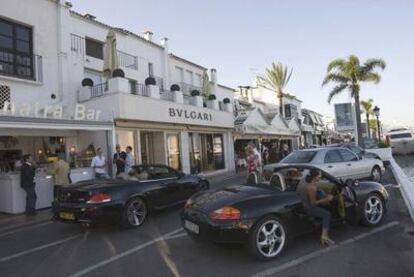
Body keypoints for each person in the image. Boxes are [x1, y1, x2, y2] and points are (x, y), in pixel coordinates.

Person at [299, 169, 335, 246]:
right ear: (315, 177)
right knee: (327, 214)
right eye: (319, 176)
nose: (320, 177)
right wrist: (326, 199)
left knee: (326, 209)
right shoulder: (312, 187)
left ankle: (324, 234)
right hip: (308, 209)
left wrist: (324, 196)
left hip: (305, 205)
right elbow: (313, 203)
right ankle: (324, 236)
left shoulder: (311, 184)